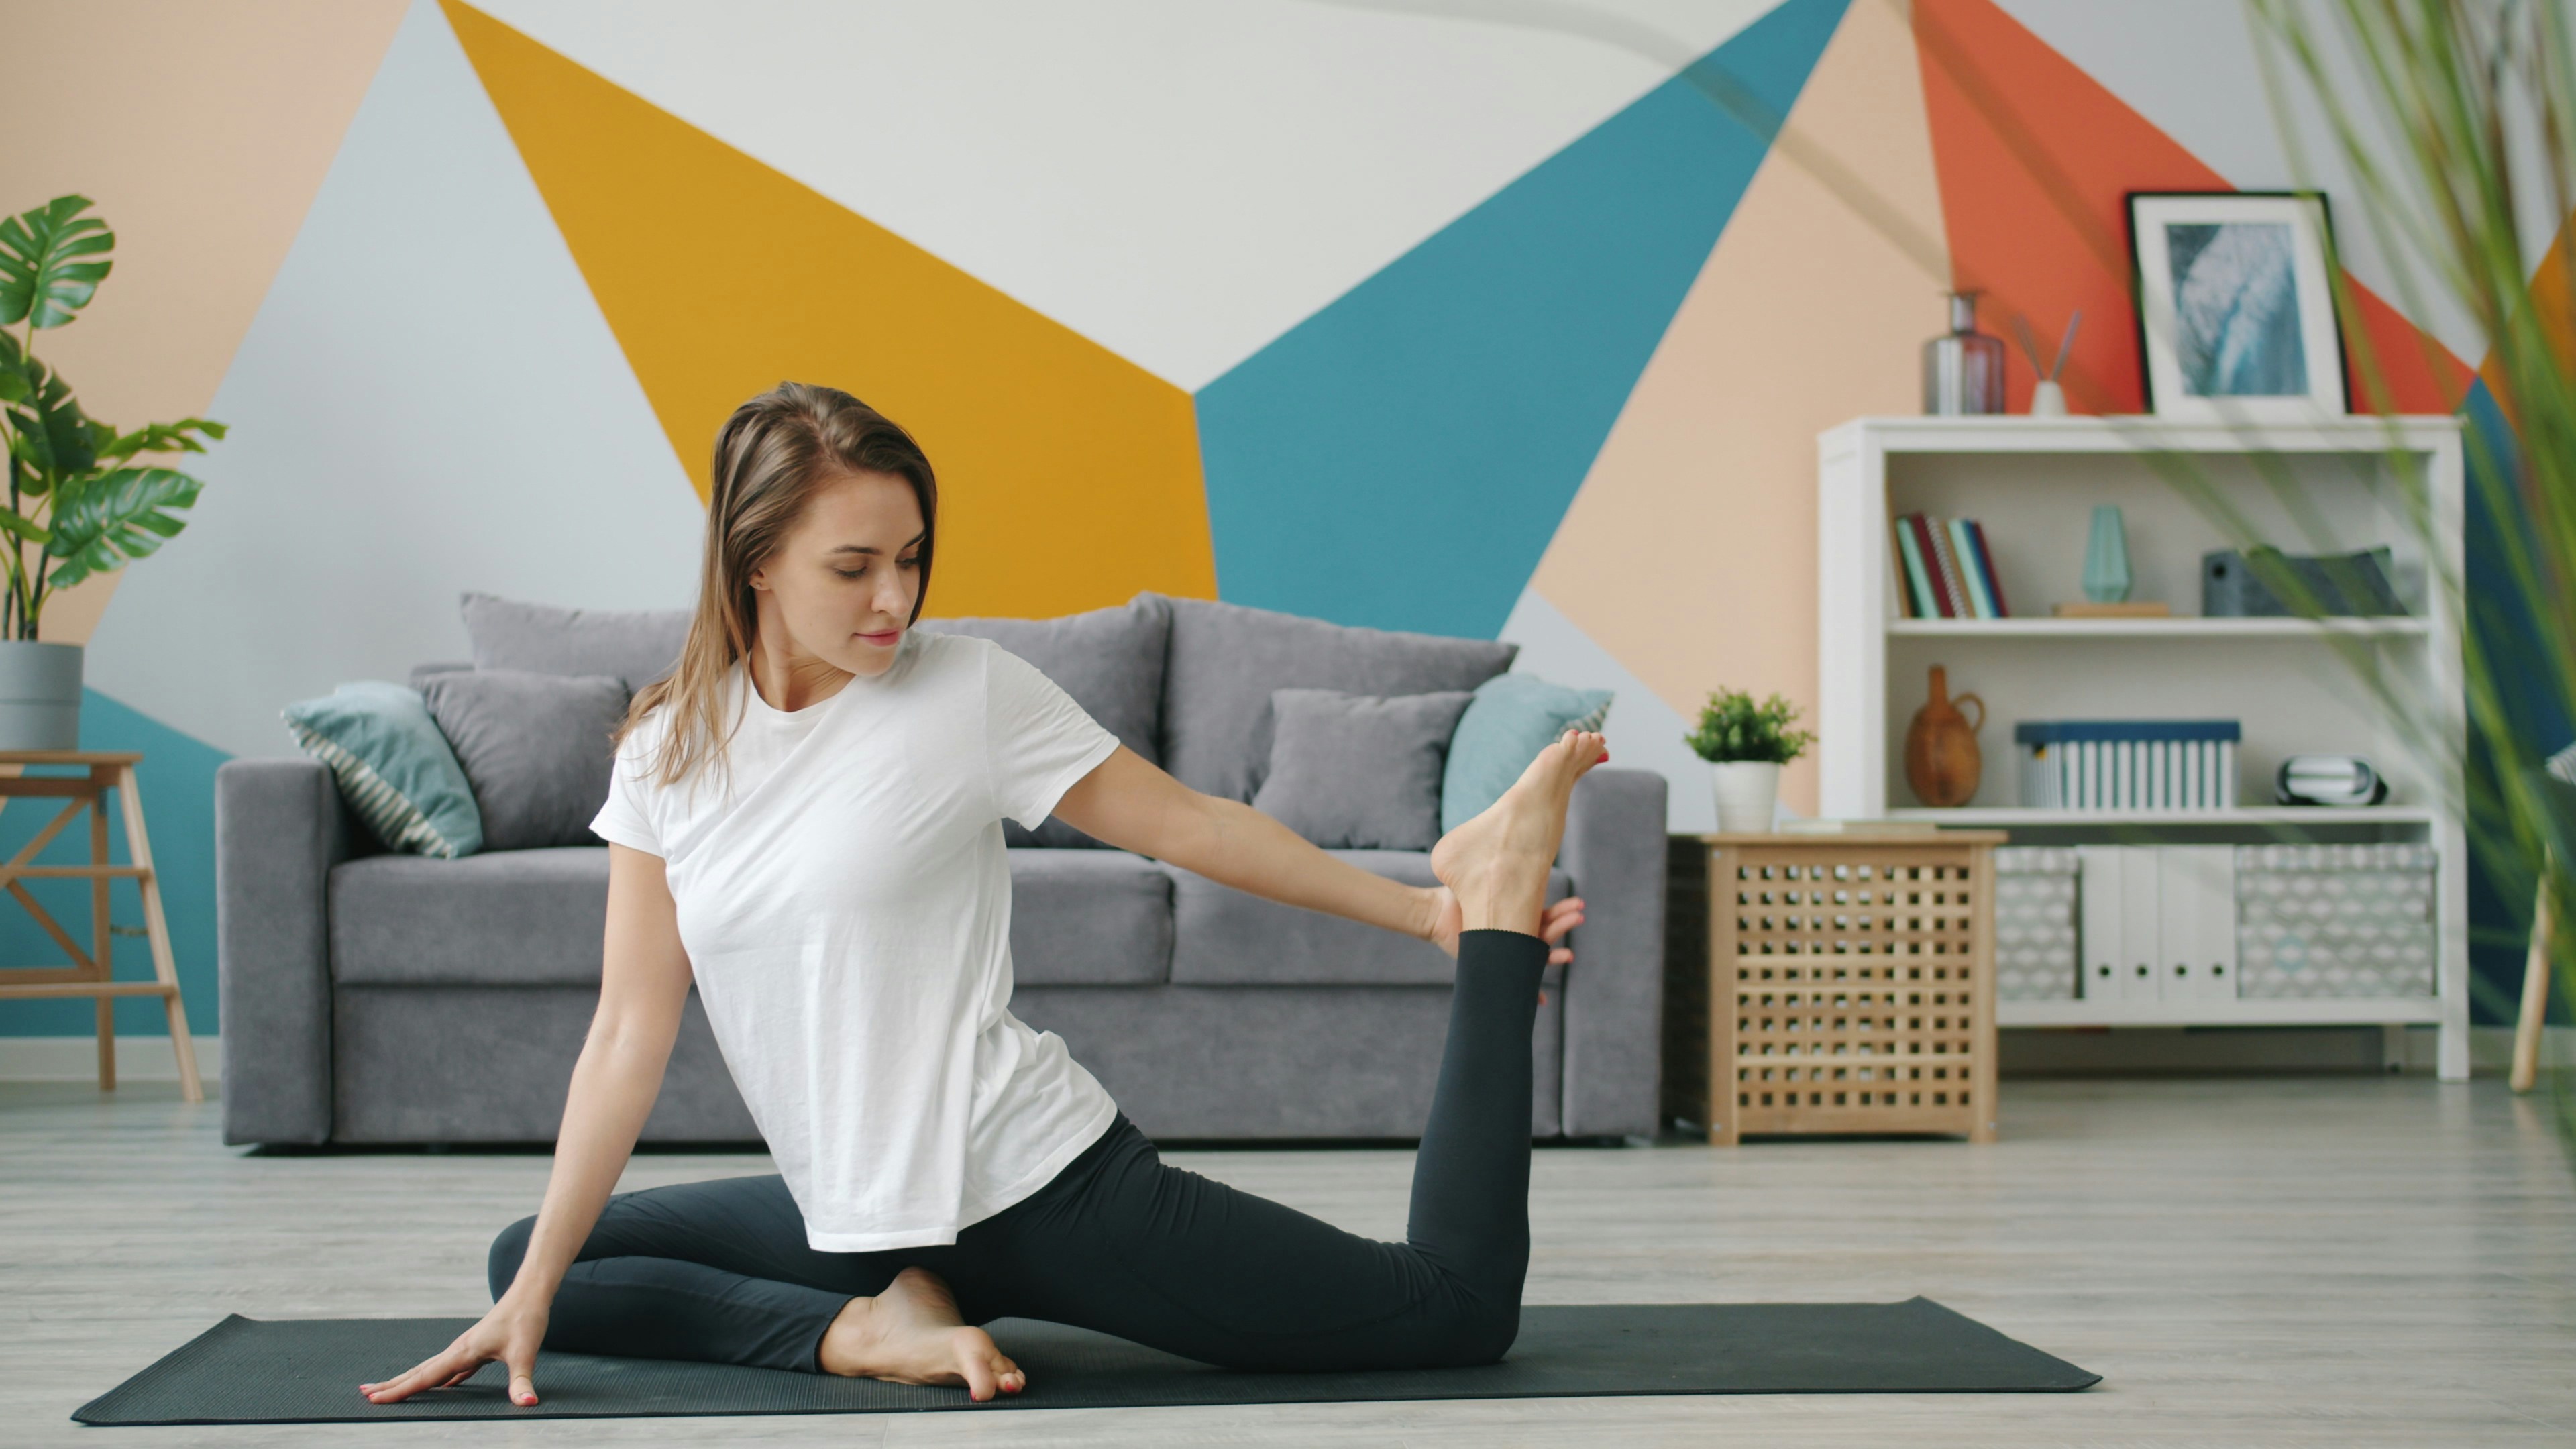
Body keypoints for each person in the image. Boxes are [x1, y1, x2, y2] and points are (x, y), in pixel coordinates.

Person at [359, 382, 1608, 1408]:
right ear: (755, 562)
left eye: (910, 559)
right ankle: (867, 1328)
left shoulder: (968, 691)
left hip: (1033, 1188)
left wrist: (1431, 916)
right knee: (532, 1261)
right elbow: (629, 1031)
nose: (895, 599)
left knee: (1453, 1312)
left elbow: (1188, 826)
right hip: (846, 1216)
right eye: (853, 567)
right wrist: (530, 1312)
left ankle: (1490, 905)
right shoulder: (667, 750)